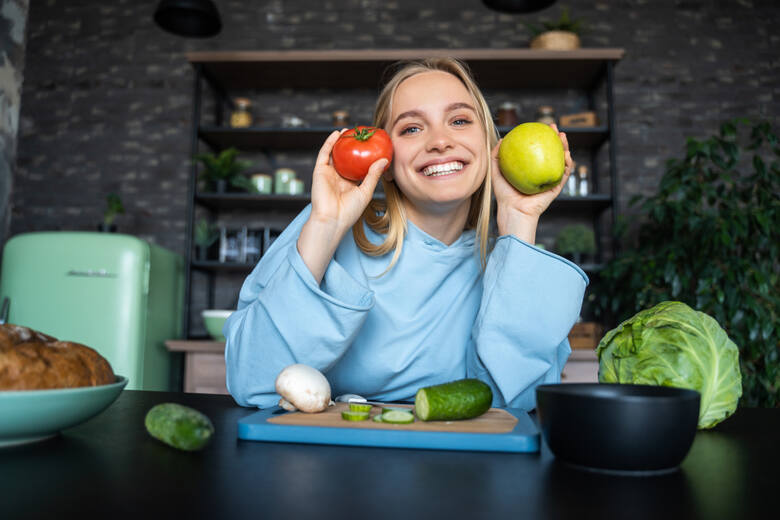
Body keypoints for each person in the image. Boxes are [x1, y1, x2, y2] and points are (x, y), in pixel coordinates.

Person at [224, 57, 588, 411]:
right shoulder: (328, 224)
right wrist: (325, 227)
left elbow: (514, 406)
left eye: (459, 120)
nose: (440, 141)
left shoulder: (508, 264)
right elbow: (252, 382)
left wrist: (518, 217)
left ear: (491, 145)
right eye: (412, 128)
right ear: (386, 162)